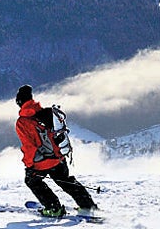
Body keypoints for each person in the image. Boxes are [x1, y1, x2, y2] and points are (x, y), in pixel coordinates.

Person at [15, 84, 98, 218]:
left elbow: (29, 147)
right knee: (65, 180)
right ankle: (87, 205)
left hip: (42, 162)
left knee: (32, 181)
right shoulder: (48, 112)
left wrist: (29, 164)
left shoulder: (23, 122)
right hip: (59, 157)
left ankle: (54, 208)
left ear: (19, 102)